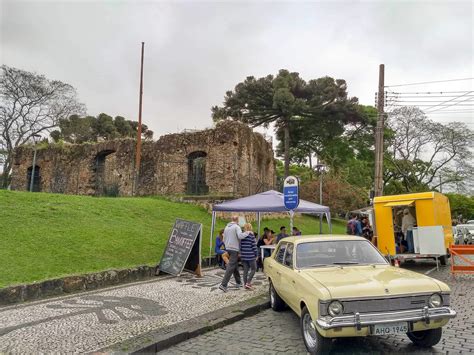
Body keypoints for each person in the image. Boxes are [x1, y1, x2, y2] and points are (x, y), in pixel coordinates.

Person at [219, 215, 247, 292]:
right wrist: (247, 232)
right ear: (237, 220)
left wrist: (227, 245)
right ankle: (223, 284)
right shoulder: (237, 227)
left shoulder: (226, 227)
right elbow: (240, 236)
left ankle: (238, 282)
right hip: (234, 249)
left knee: (234, 265)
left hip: (228, 248)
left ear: (232, 219)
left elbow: (224, 239)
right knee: (231, 266)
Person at [240, 223, 258, 290]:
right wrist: (256, 255)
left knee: (245, 270)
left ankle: (245, 285)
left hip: (244, 255)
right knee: (254, 269)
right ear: (250, 228)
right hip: (250, 256)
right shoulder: (251, 235)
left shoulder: (242, 236)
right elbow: (254, 246)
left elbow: (240, 246)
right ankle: (248, 283)